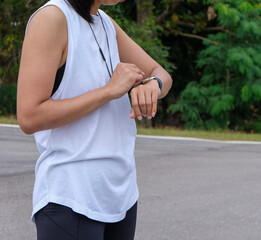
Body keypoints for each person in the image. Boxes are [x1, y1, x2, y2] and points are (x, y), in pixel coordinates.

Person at [16, 0, 172, 239]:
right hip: (71, 197)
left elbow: (160, 73)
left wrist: (153, 84)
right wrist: (108, 91)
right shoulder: (52, 18)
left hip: (122, 197)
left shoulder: (105, 22)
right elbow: (29, 116)